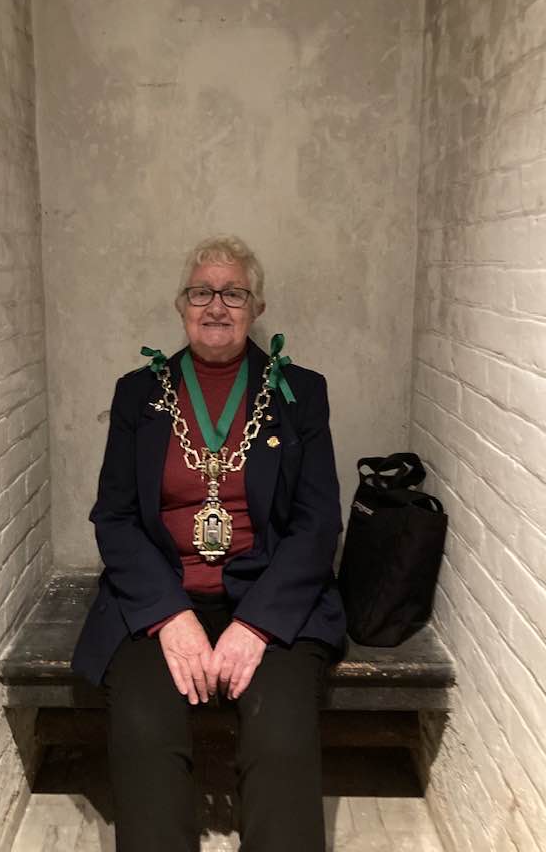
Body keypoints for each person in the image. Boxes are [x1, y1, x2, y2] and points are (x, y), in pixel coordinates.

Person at [71, 235, 346, 852]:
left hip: (269, 595)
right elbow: (114, 518)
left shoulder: (301, 394)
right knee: (144, 731)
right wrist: (169, 616)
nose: (216, 305)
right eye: (202, 291)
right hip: (162, 596)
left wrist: (257, 626)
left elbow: (317, 523)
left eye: (234, 293)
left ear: (257, 307)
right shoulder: (139, 395)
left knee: (279, 739)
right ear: (181, 305)